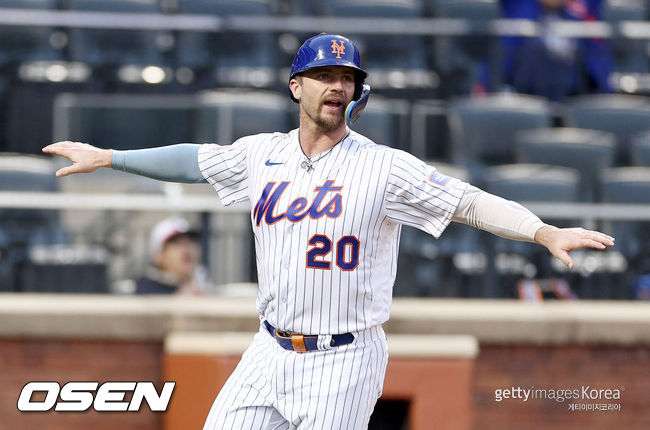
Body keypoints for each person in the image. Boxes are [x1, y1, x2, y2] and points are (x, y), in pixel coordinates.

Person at [43, 33, 614, 430]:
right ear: (297, 86)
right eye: (323, 75)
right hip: (268, 349)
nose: (335, 86)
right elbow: (194, 159)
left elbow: (465, 201)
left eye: (346, 77)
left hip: (343, 357)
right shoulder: (260, 154)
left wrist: (541, 232)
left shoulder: (386, 166)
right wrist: (111, 156)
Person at [480, 0, 614, 100]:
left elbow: (598, 64)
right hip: (523, 92)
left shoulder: (583, 12)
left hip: (576, 93)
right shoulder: (518, 7)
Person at [135, 216, 205, 295]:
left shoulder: (202, 284)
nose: (187, 247)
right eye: (177, 243)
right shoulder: (143, 290)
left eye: (191, 241)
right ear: (159, 255)